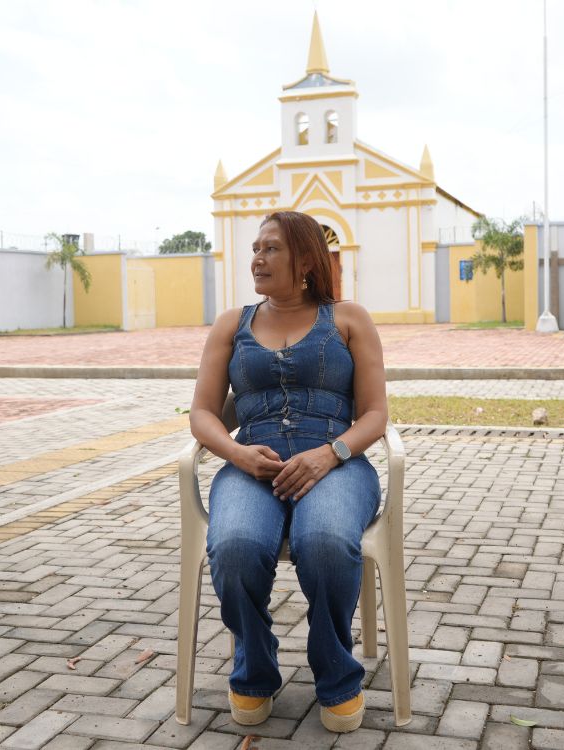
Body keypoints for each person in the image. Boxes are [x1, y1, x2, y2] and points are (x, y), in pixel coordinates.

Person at [189, 210, 389, 733]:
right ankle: (254, 669)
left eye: (271, 248)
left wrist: (331, 453)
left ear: (305, 259)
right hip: (251, 464)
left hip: (335, 464)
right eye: (255, 247)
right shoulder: (233, 324)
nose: (257, 257)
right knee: (233, 545)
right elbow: (203, 413)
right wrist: (237, 456)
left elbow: (375, 414)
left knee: (324, 539)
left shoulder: (348, 318)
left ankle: (336, 674)